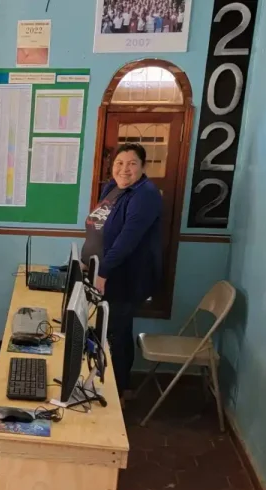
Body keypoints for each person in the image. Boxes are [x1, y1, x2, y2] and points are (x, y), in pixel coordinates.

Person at [87, 143, 163, 398]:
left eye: (132, 163)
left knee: (116, 331)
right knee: (114, 329)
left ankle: (118, 391)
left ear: (143, 167)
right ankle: (117, 383)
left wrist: (103, 271)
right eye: (120, 163)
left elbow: (127, 239)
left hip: (126, 276)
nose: (124, 169)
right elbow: (99, 227)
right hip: (104, 271)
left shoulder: (146, 195)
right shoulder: (112, 188)